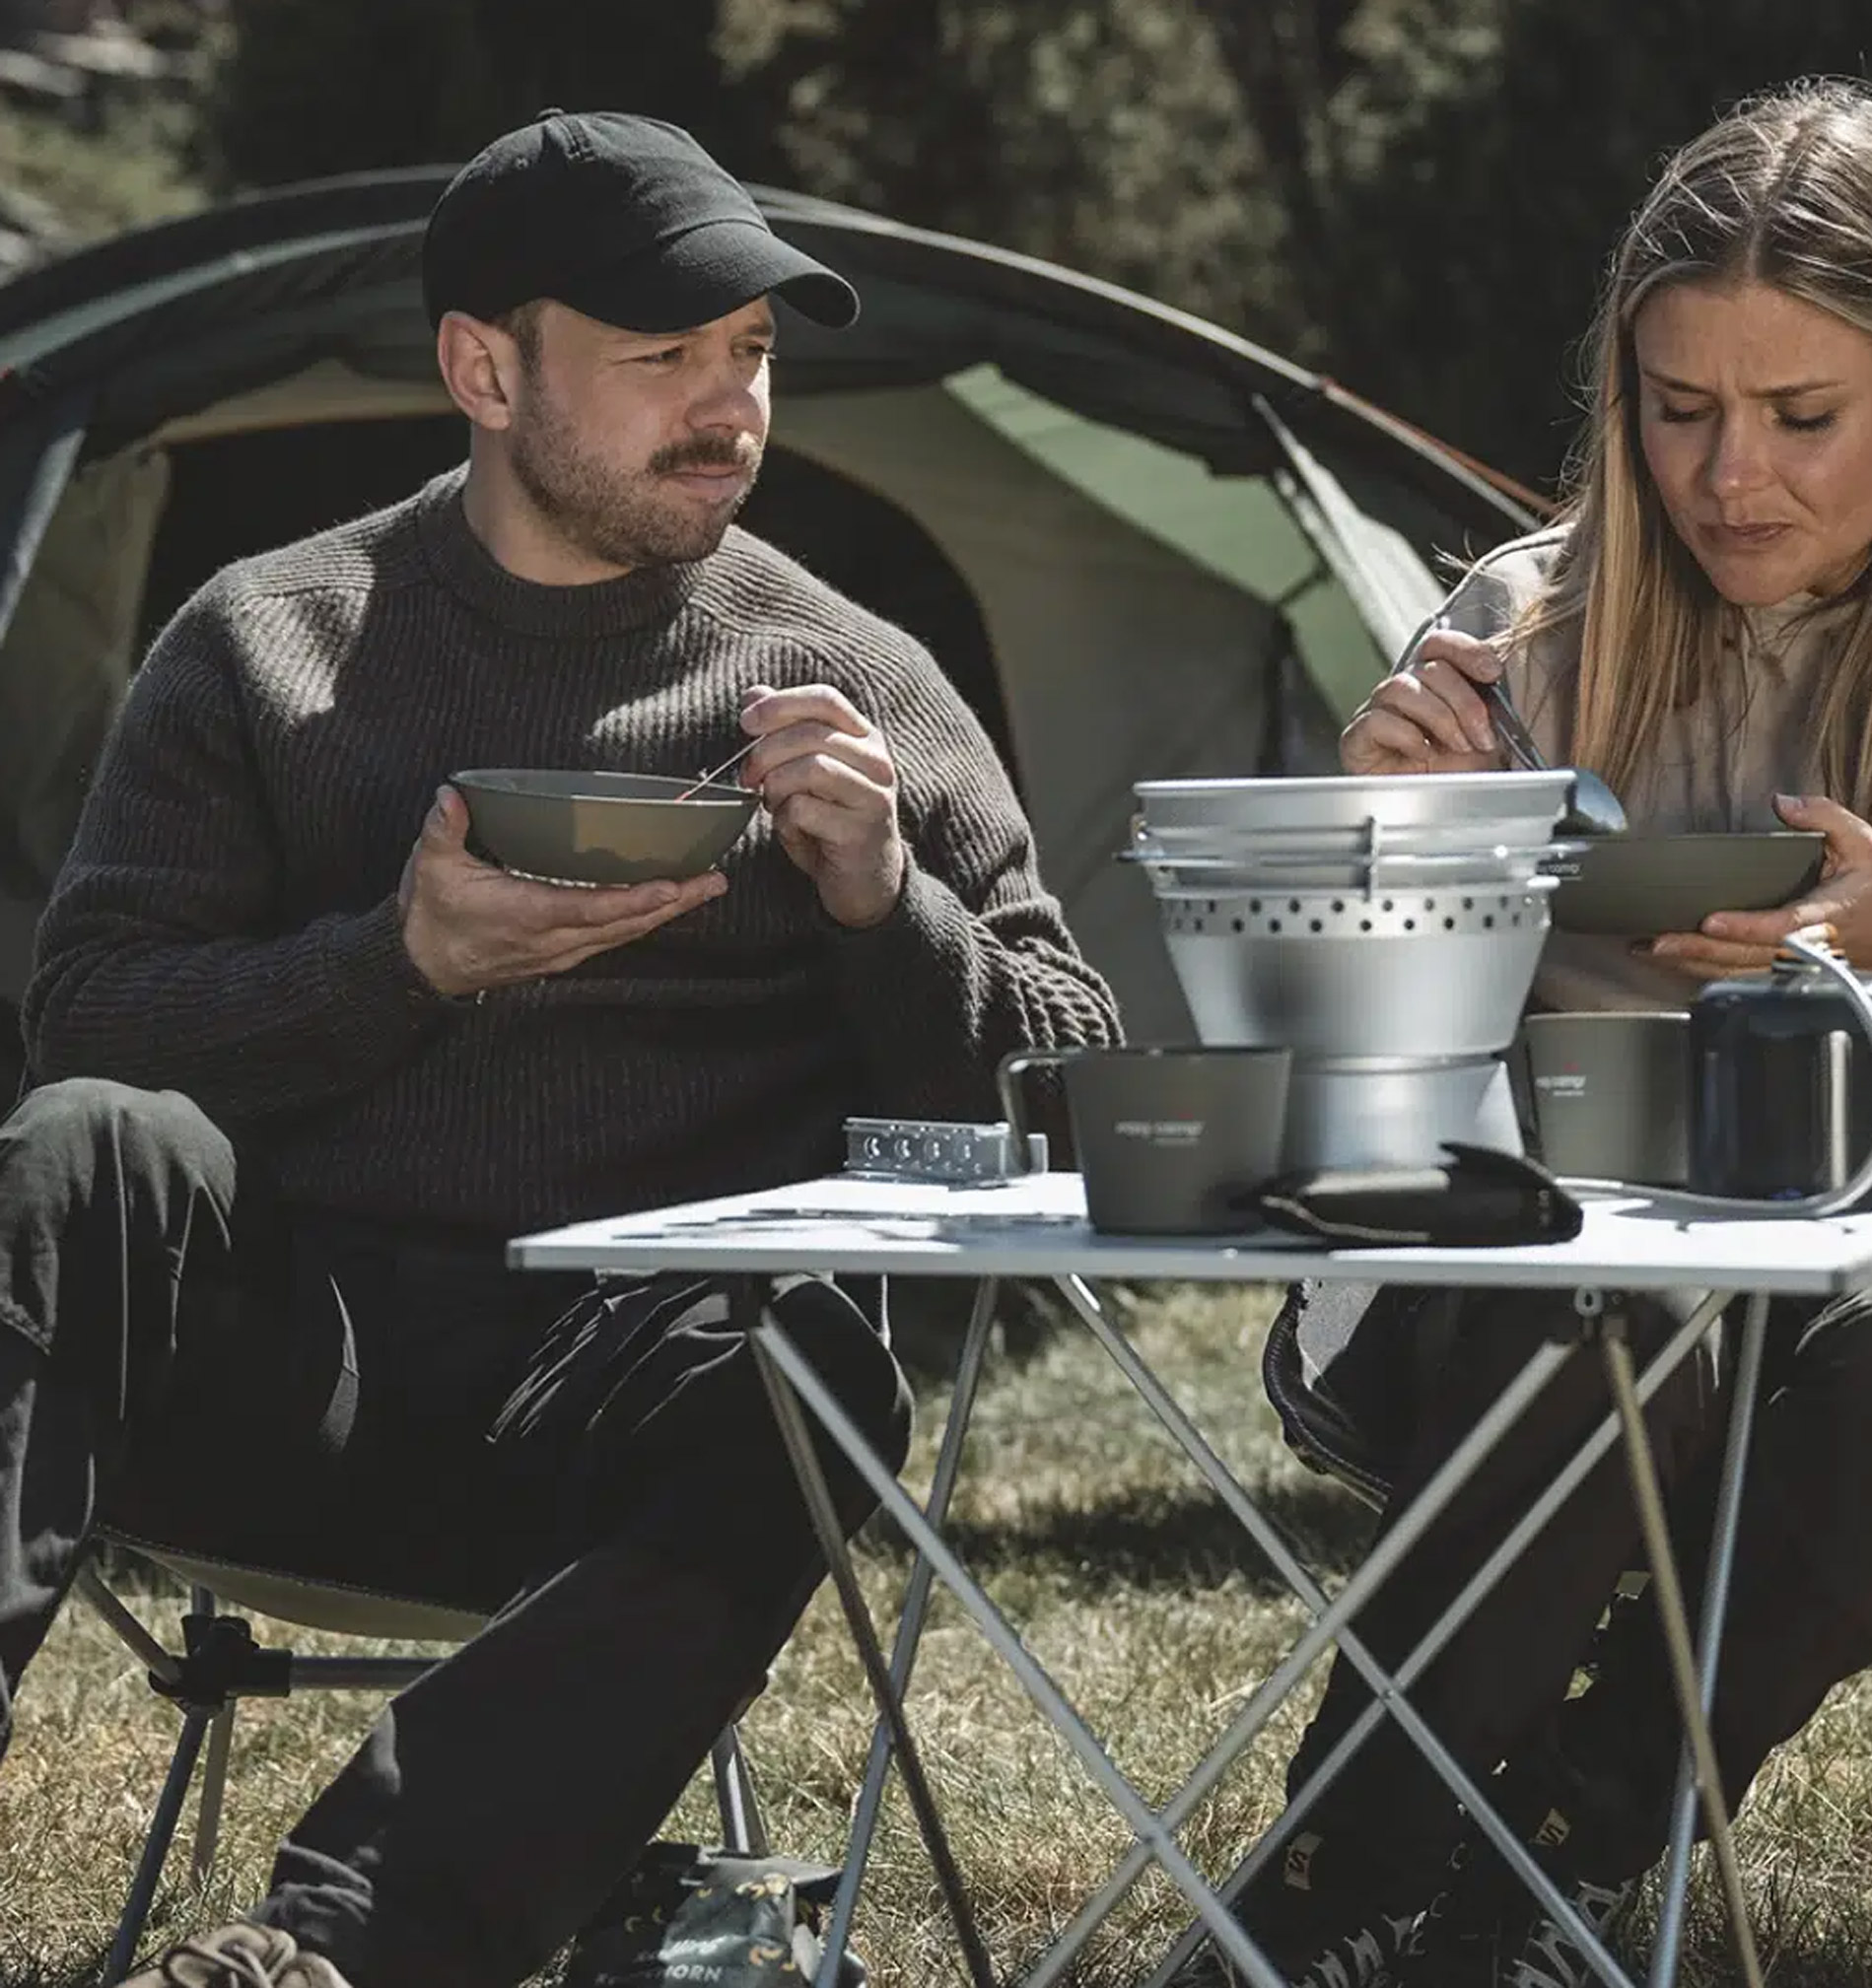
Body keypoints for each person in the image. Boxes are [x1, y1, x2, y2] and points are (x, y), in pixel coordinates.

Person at [1187, 79, 1872, 1988]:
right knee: (1614, 1309)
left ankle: (1570, 1843)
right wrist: (1385, 854)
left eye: (1804, 417)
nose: (1730, 480)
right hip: (1547, 1309)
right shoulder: (1533, 623)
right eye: (1678, 410)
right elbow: (1338, 1099)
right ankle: (1330, 1890)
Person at [0, 109, 1120, 1988]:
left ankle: (340, 1947)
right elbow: (86, 1010)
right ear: (482, 369)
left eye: (751, 355)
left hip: (628, 1412)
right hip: (285, 1377)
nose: (728, 407)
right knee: (83, 1144)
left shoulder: (854, 679)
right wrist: (402, 961)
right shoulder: (271, 641)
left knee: (804, 1356)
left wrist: (881, 899)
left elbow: (1070, 1084)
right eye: (664, 355)